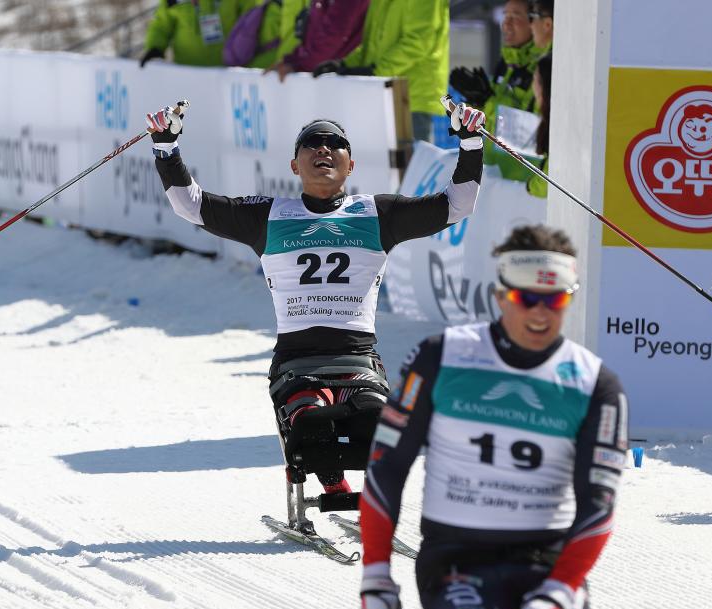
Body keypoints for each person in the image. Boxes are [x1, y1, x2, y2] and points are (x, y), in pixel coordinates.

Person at [355, 224, 628, 609]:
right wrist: (376, 576)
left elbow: (599, 509)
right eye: (528, 298)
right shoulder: (443, 357)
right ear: (502, 293)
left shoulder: (595, 382)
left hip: (544, 565)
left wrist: (559, 591)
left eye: (556, 300)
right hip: (457, 561)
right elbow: (386, 470)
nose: (541, 313)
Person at [145, 99, 486, 496]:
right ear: (294, 165)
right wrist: (166, 149)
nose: (323, 148)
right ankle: (330, 477)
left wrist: (471, 144)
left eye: (335, 143)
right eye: (311, 143)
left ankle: (350, 468)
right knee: (310, 427)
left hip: (357, 359)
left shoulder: (377, 213)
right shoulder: (269, 215)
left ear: (351, 164)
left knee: (379, 432)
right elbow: (191, 205)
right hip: (297, 362)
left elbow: (458, 205)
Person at [310, 0, 451, 143]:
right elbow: (372, 46)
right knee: (384, 161)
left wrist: (376, 71)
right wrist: (343, 64)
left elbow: (419, 42)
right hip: (385, 92)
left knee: (412, 161)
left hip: (412, 95)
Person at [264, 0, 369, 82]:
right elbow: (314, 34)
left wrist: (298, 64)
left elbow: (333, 35)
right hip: (323, 79)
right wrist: (292, 60)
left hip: (339, 83)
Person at [140, 0, 258, 68]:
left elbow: (253, 21)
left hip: (227, 74)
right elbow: (161, 25)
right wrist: (155, 48)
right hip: (186, 73)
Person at [526, 53, 551, 198]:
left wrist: (530, 186)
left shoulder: (557, 123)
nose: (532, 85)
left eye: (535, 79)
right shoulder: (546, 117)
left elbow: (548, 185)